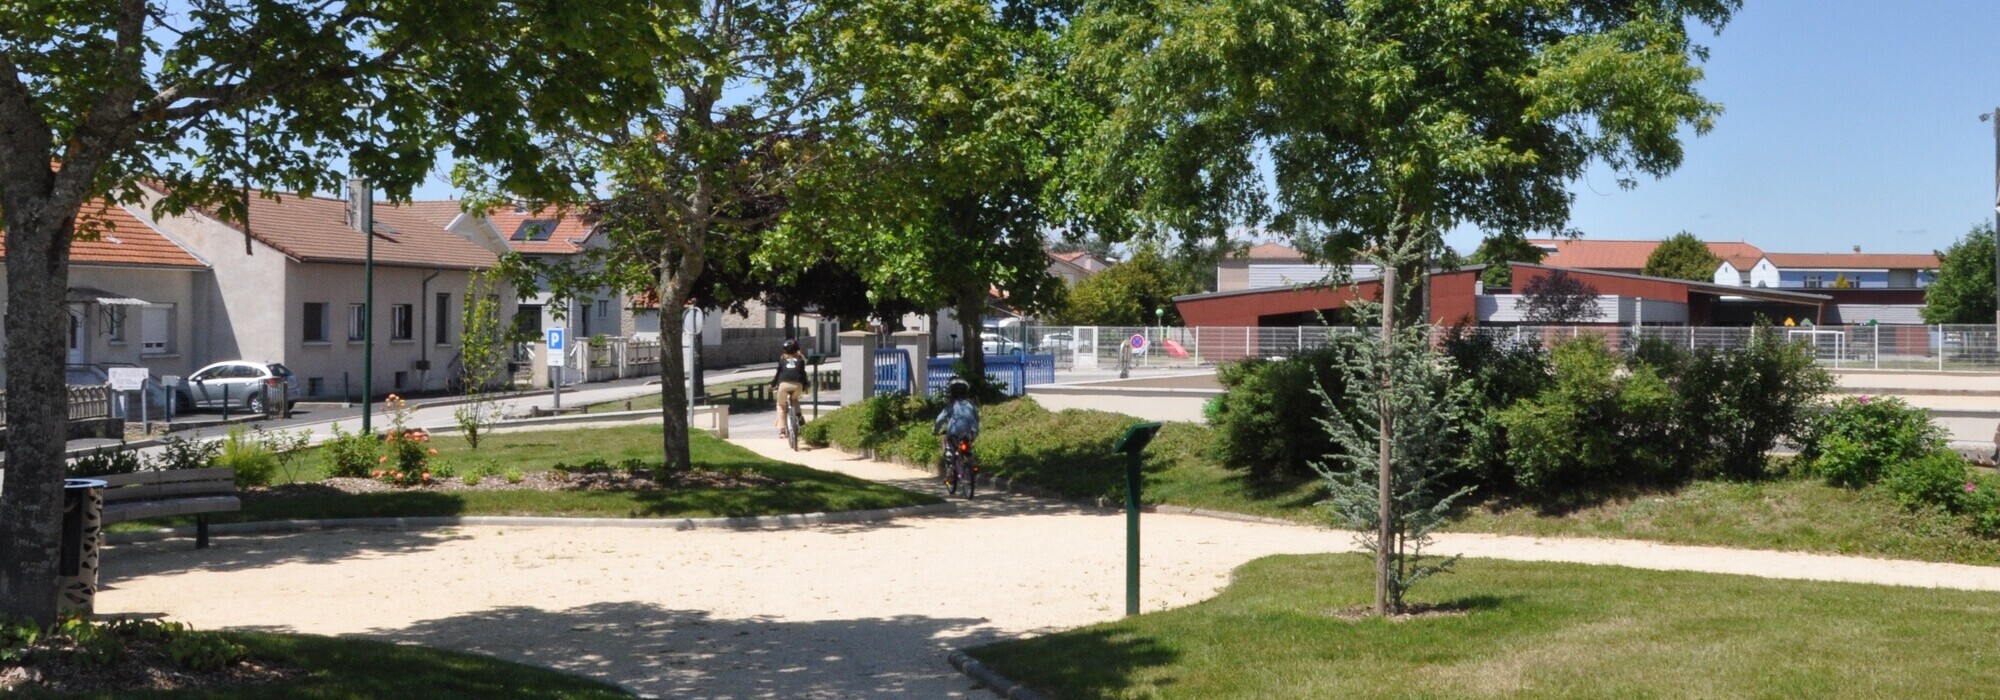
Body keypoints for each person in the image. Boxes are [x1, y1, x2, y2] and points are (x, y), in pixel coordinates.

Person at [932, 376, 981, 495]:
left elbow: (940, 419)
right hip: (972, 432)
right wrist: (974, 429)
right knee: (967, 448)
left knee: (950, 453)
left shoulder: (951, 405)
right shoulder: (971, 404)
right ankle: (973, 464)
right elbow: (977, 418)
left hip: (954, 432)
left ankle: (949, 476)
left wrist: (935, 430)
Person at [769, 338, 809, 435]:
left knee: (781, 405)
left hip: (783, 385)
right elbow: (803, 374)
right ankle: (799, 417)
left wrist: (772, 385)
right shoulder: (801, 360)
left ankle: (782, 430)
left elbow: (778, 374)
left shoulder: (782, 360)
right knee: (794, 400)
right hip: (797, 385)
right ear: (797, 349)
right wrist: (805, 385)